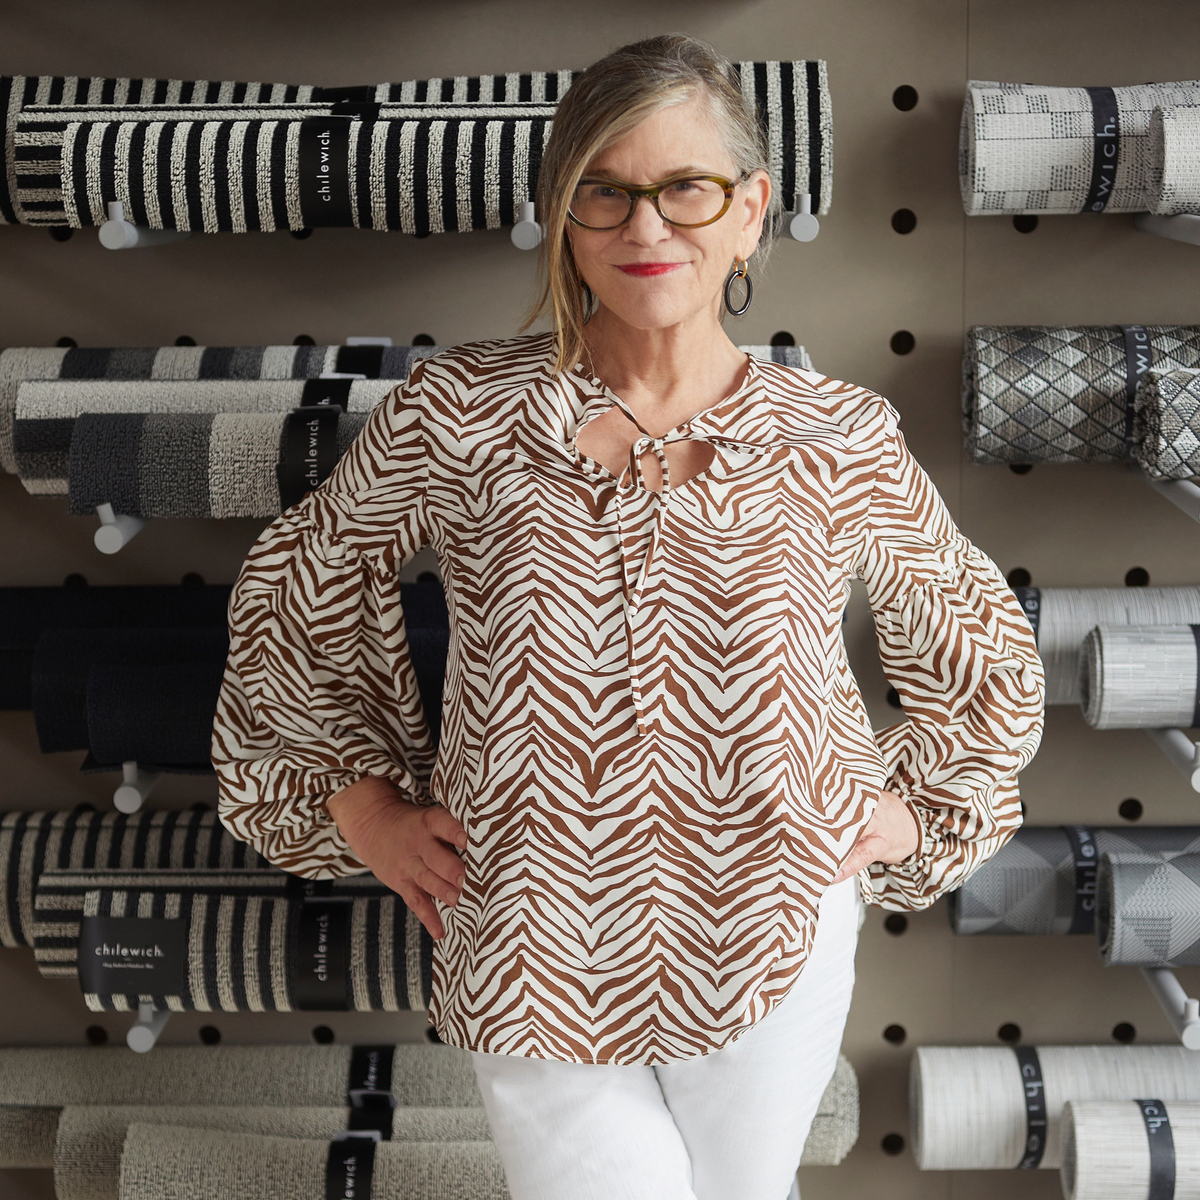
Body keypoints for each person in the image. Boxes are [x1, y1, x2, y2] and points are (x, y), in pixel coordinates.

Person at [212, 32, 1046, 1200]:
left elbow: (976, 644)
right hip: (525, 916)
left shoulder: (840, 435)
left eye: (685, 189)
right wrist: (360, 808)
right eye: (605, 193)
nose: (647, 229)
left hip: (777, 915)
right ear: (564, 215)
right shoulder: (462, 413)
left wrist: (914, 813)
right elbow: (303, 586)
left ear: (750, 211)